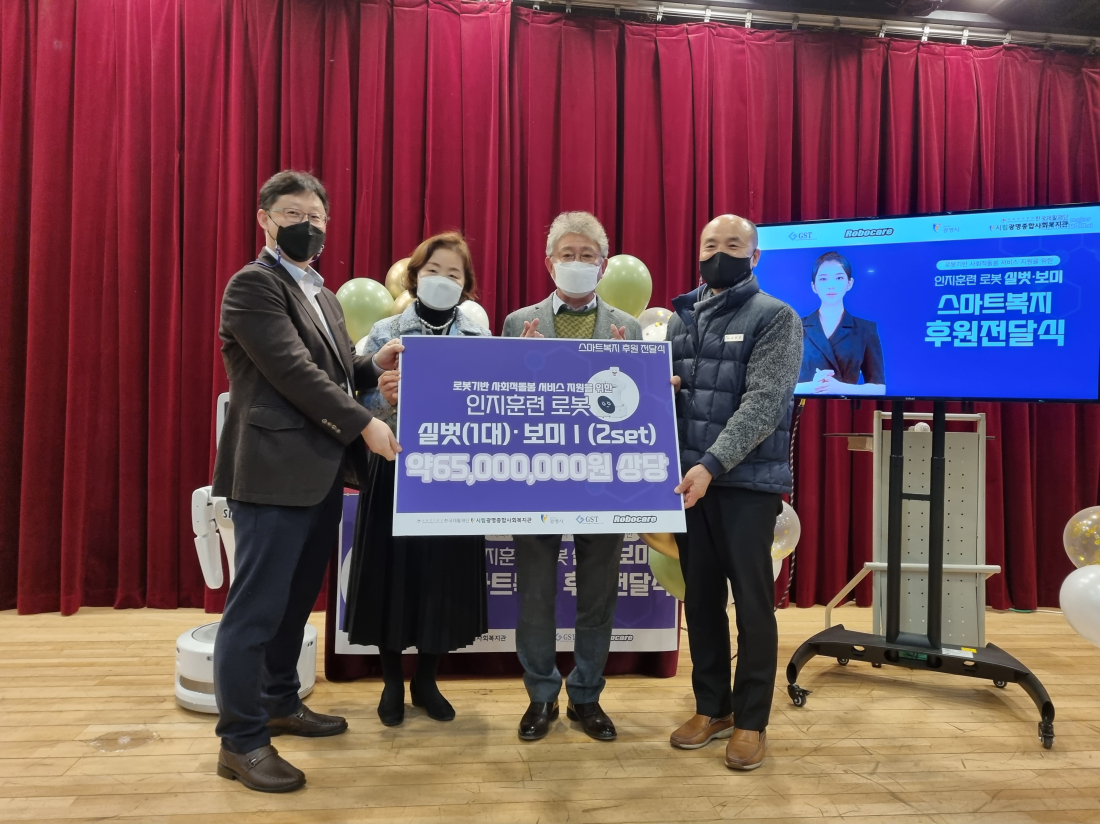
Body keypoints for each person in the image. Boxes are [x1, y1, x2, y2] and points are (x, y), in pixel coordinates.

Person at [212, 170, 403, 793]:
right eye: (294, 214)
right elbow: (293, 372)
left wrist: (372, 365)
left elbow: (336, 369)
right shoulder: (253, 286)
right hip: (271, 471)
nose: (307, 226)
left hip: (319, 472)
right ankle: (241, 742)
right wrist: (366, 425)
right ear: (264, 219)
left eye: (317, 217)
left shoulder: (321, 293)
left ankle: (277, 702)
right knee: (255, 610)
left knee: (294, 603)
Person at [666, 214, 802, 771]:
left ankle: (751, 720)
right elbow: (675, 400)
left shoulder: (776, 317)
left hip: (745, 483)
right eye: (709, 244)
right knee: (699, 601)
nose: (719, 253)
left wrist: (712, 464)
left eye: (733, 244)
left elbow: (764, 403)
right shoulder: (679, 319)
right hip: (689, 486)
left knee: (751, 603)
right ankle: (712, 707)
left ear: (755, 255)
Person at [501, 211, 642, 742]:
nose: (577, 263)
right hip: (536, 480)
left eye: (587, 256)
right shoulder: (519, 323)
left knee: (598, 595)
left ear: (603, 266)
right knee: (535, 595)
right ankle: (540, 695)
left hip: (604, 481)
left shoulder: (629, 328)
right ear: (549, 263)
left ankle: (586, 696)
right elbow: (501, 404)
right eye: (568, 255)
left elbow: (642, 409)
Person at [343, 232, 491, 728]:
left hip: (454, 478)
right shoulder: (386, 333)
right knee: (390, 577)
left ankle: (427, 680)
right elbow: (356, 407)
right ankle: (391, 682)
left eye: (453, 273)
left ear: (466, 285)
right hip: (395, 472)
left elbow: (492, 410)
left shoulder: (479, 339)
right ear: (414, 277)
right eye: (433, 271)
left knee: (442, 581)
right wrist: (382, 398)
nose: (442, 280)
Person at [796, 251, 885, 395]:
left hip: (847, 406)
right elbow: (777, 386)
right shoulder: (795, 327)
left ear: (849, 283)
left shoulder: (865, 329)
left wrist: (840, 388)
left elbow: (879, 388)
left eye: (839, 278)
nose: (831, 285)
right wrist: (813, 386)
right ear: (814, 286)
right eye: (823, 279)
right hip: (803, 406)